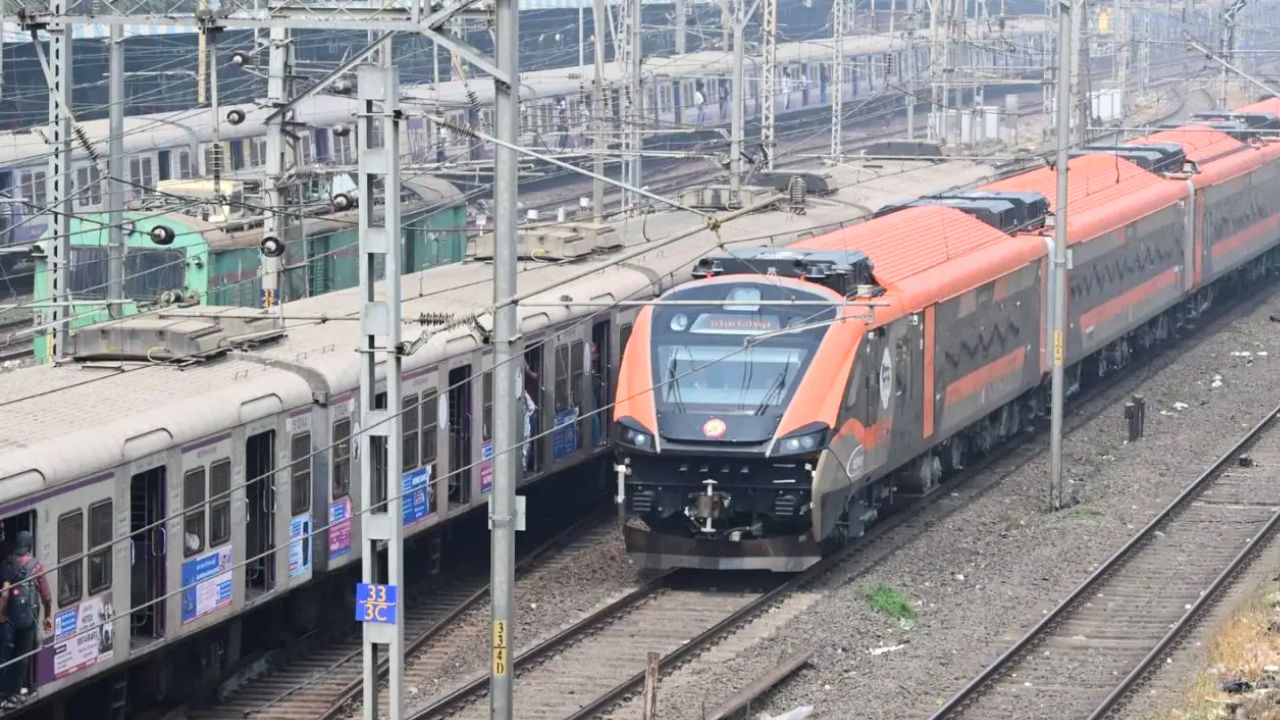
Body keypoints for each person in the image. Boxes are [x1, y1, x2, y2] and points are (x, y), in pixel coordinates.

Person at [0, 531, 51, 709]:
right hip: (28, 619)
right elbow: (46, 595)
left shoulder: (8, 563)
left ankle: (5, 693)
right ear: (29, 546)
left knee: (6, 655)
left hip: (9, 620)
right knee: (22, 656)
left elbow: (5, 592)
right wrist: (47, 617)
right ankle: (16, 691)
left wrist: (2, 614)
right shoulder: (36, 566)